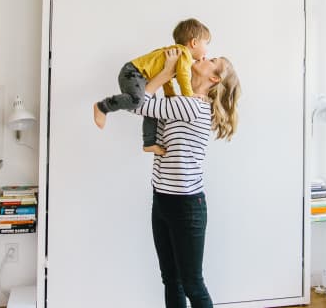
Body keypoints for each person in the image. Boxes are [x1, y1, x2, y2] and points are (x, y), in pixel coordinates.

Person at [136, 48, 241, 308]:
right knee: (171, 280)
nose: (204, 57)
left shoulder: (192, 105)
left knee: (192, 283)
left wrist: (165, 72)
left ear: (215, 79)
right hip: (161, 199)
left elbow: (138, 103)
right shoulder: (182, 101)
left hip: (186, 206)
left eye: (212, 60)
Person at [93, 18, 211, 155]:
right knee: (136, 100)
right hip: (133, 72)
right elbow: (183, 77)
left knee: (151, 110)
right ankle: (103, 106)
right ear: (194, 42)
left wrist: (170, 95)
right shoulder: (183, 53)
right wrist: (189, 95)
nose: (207, 50)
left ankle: (149, 143)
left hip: (141, 78)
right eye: (206, 44)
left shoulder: (176, 53)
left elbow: (168, 79)